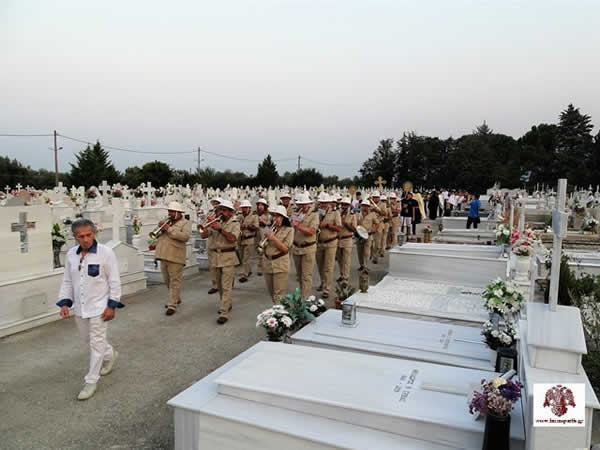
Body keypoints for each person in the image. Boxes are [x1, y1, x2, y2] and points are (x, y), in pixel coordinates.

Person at [57, 218, 124, 400]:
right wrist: (65, 302)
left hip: (100, 307)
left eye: (89, 235)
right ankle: (111, 354)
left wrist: (112, 306)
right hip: (80, 308)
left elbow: (114, 281)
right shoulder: (71, 255)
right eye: (81, 236)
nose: (86, 239)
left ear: (94, 233)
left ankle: (91, 381)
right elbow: (67, 280)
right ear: (75, 237)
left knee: (96, 343)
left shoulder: (106, 253)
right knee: (89, 340)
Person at [199, 200, 240, 324]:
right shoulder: (217, 222)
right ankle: (226, 303)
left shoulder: (235, 223)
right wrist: (206, 224)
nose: (221, 212)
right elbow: (203, 235)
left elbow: (233, 238)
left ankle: (224, 312)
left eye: (224, 210)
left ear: (230, 212)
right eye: (220, 209)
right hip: (215, 257)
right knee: (220, 286)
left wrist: (220, 229)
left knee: (227, 286)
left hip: (228, 256)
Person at [156, 201, 192, 316]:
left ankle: (172, 305)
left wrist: (169, 229)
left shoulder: (186, 223)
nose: (170, 214)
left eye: (172, 211)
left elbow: (185, 237)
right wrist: (160, 229)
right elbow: (157, 236)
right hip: (163, 254)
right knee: (167, 280)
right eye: (169, 211)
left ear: (178, 212)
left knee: (174, 281)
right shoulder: (167, 221)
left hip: (176, 256)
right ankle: (176, 298)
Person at [262, 205, 294, 304]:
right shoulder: (269, 229)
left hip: (280, 264)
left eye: (278, 216)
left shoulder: (289, 230)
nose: (275, 218)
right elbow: (263, 244)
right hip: (268, 263)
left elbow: (285, 249)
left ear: (283, 218)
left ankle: (278, 311)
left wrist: (273, 238)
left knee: (279, 295)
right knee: (272, 293)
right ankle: (278, 309)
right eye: (274, 216)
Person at [291, 192, 319, 299]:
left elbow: (312, 231)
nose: (302, 206)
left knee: (306, 275)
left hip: (308, 248)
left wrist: (298, 226)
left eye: (304, 204)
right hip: (296, 248)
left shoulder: (314, 215)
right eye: (300, 204)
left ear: (309, 204)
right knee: (299, 275)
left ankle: (305, 299)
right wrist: (292, 221)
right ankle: (303, 295)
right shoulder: (297, 213)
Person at [316, 194, 342, 299]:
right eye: (322, 202)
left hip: (331, 242)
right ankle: (323, 282)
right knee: (320, 265)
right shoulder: (316, 212)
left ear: (329, 203)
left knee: (328, 266)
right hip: (319, 242)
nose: (323, 204)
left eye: (325, 202)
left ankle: (326, 288)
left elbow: (339, 228)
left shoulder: (335, 213)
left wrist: (328, 225)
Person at [238, 199, 259, 283]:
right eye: (243, 207)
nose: (244, 209)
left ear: (249, 208)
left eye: (246, 207)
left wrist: (246, 226)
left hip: (249, 239)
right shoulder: (240, 216)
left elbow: (256, 228)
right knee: (242, 257)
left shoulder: (254, 216)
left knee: (247, 258)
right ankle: (248, 270)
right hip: (241, 239)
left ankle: (245, 274)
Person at [337, 196, 356, 282]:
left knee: (346, 259)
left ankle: (346, 277)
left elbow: (354, 229)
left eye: (346, 205)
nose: (344, 206)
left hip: (347, 239)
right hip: (338, 239)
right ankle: (342, 274)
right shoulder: (338, 213)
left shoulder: (352, 215)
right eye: (343, 204)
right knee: (340, 259)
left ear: (348, 205)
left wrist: (346, 223)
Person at [206, 197, 222, 295]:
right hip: (211, 242)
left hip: (221, 243)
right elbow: (204, 228)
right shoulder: (210, 213)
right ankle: (215, 284)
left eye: (217, 203)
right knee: (212, 266)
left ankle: (228, 282)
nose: (215, 205)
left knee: (223, 267)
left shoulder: (224, 215)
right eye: (214, 203)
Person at [356, 200, 378, 271]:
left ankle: (366, 266)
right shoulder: (357, 214)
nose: (365, 207)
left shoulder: (372, 214)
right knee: (360, 251)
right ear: (361, 206)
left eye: (366, 206)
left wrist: (374, 229)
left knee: (367, 252)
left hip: (368, 235)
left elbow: (377, 223)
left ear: (369, 207)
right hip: (359, 235)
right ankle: (362, 265)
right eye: (363, 205)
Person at [255, 198, 271, 276]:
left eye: (261, 205)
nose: (260, 206)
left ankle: (266, 267)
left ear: (265, 206)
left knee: (266, 250)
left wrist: (262, 221)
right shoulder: (256, 214)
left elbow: (270, 224)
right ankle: (260, 268)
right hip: (258, 233)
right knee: (259, 251)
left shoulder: (269, 215)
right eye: (259, 205)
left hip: (265, 233)